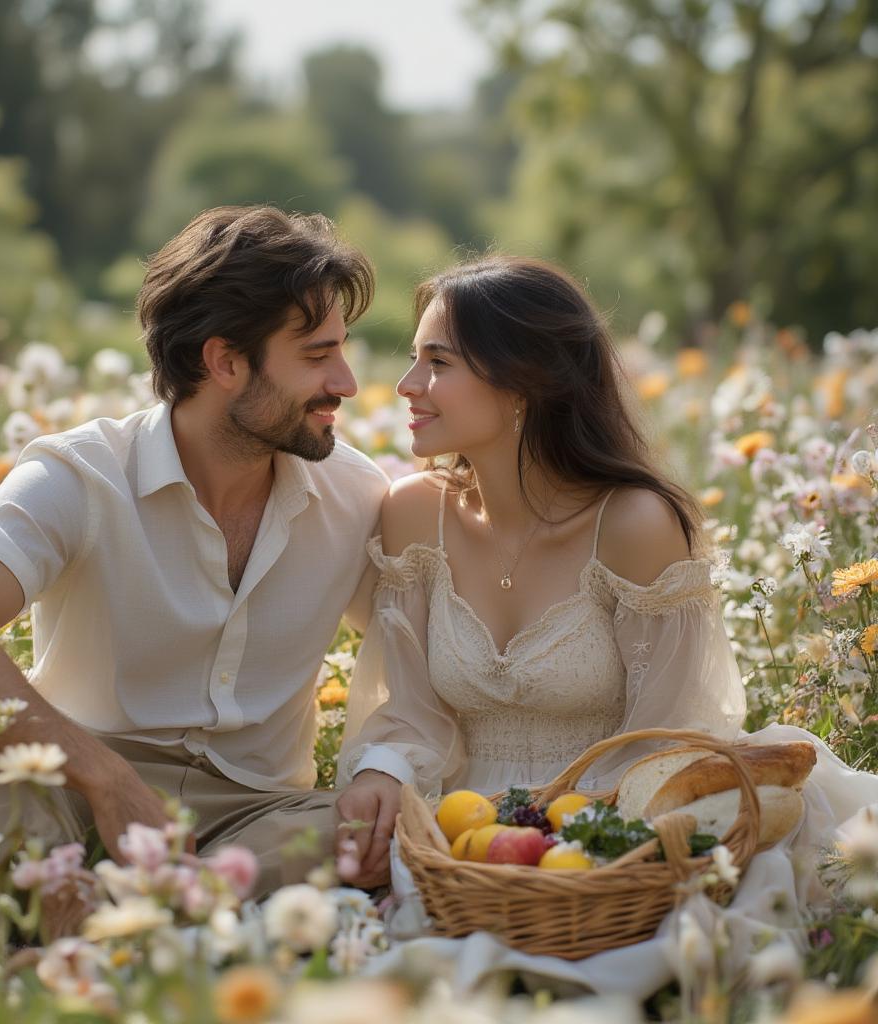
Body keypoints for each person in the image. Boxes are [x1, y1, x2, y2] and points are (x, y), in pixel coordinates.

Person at [334, 255, 878, 995]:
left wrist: (580, 838)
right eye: (413, 361)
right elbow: (410, 713)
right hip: (465, 835)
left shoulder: (636, 523)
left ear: (523, 381)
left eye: (438, 363)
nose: (406, 387)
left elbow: (670, 732)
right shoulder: (409, 512)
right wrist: (382, 775)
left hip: (624, 827)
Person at [0, 205, 390, 915]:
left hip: (259, 815)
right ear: (225, 362)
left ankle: (105, 922)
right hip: (72, 788)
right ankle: (100, 907)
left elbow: (427, 652)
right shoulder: (79, 474)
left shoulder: (360, 493)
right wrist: (103, 776)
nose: (345, 382)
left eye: (342, 351)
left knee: (356, 824)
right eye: (316, 356)